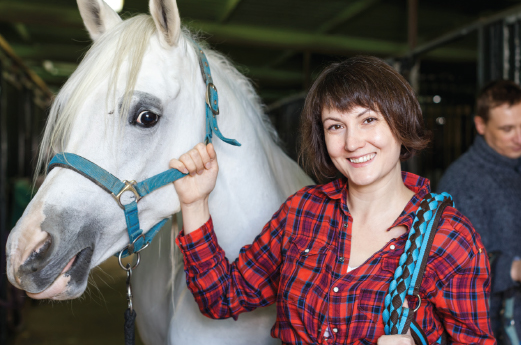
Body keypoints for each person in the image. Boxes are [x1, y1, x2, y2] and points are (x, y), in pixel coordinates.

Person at [171, 56, 495, 344]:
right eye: (335, 126)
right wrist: (195, 202)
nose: (352, 142)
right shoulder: (302, 212)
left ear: (400, 121)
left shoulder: (450, 238)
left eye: (368, 119)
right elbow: (221, 297)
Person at [438, 79, 521, 344]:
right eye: (508, 129)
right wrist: (514, 269)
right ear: (480, 125)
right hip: (494, 327)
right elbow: (450, 268)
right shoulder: (461, 182)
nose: (520, 137)